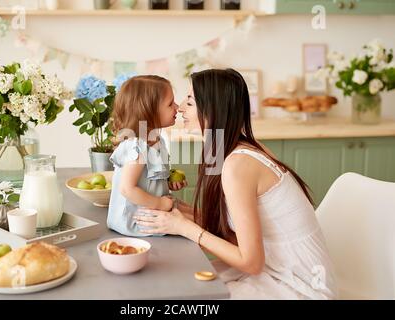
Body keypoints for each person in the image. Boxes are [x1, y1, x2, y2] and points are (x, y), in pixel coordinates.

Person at [134, 69, 337, 299]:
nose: (180, 107)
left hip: (300, 286)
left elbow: (251, 262)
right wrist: (181, 209)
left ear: (213, 110)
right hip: (274, 269)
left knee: (181, 293)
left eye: (189, 102)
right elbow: (235, 235)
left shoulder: (238, 164)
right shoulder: (230, 148)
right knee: (176, 284)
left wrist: (184, 228)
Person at [107, 75, 187, 236]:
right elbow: (127, 188)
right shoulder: (137, 145)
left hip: (150, 213)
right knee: (192, 221)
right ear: (149, 111)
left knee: (195, 216)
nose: (177, 107)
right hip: (133, 221)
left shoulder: (157, 140)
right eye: (170, 103)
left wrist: (167, 181)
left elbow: (148, 179)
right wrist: (159, 203)